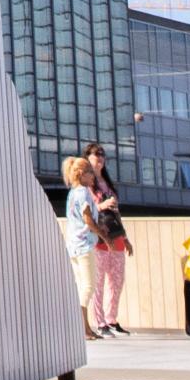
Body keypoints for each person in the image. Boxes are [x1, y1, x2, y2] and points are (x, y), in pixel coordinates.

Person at [80, 141, 129, 335]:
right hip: (99, 239)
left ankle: (112, 319)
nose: (99, 158)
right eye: (95, 154)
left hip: (115, 236)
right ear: (87, 158)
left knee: (116, 281)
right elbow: (87, 212)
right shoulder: (85, 186)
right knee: (98, 282)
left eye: (102, 154)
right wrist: (103, 204)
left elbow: (116, 213)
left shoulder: (107, 183)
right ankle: (100, 322)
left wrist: (125, 237)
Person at [61, 157, 111, 339]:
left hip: (73, 244)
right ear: (81, 174)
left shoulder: (73, 193)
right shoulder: (83, 192)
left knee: (82, 286)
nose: (93, 177)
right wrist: (105, 237)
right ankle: (83, 328)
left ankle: (85, 328)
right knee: (88, 287)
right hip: (84, 245)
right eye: (90, 172)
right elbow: (88, 219)